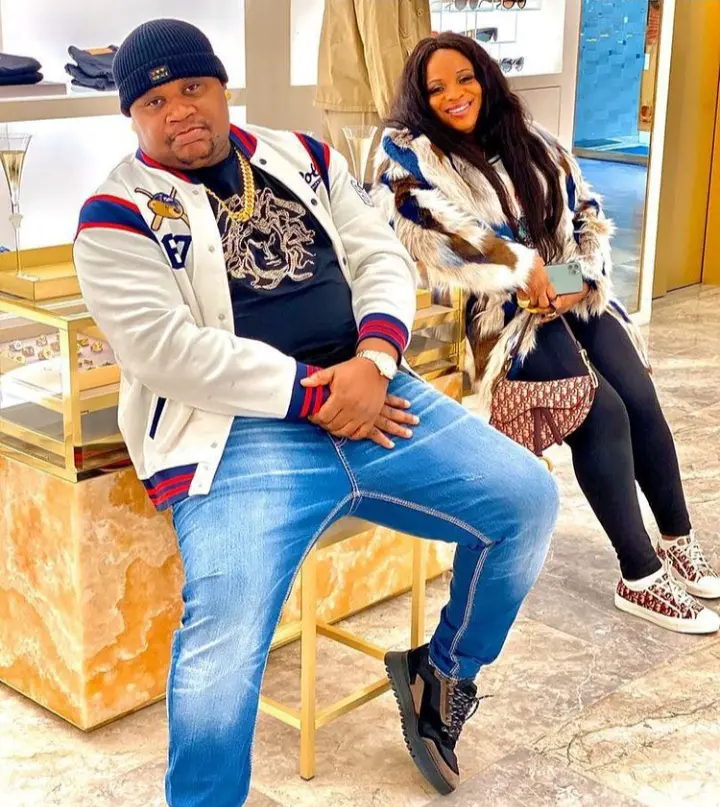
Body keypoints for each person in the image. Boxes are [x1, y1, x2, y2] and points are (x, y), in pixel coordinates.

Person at [73, 20, 559, 806]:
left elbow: (378, 256)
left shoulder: (304, 155)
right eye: (155, 101)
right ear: (131, 114)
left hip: (376, 392)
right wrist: (316, 394)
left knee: (527, 499)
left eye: (192, 88)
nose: (179, 110)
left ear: (222, 86)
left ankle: (443, 674)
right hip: (238, 436)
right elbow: (166, 351)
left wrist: (376, 360)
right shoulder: (114, 213)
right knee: (223, 637)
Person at [374, 32, 720, 638]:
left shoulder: (532, 139)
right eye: (437, 89)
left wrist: (578, 276)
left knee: (639, 396)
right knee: (601, 410)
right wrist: (517, 266)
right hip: (495, 311)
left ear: (485, 77)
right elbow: (425, 228)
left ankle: (677, 541)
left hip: (563, 285)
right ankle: (639, 575)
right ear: (420, 99)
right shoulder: (407, 157)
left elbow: (586, 212)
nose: (455, 95)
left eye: (465, 79)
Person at [315, 0, 430, 182]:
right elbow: (382, 46)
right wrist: (404, 121)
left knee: (351, 192)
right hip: (372, 107)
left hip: (358, 99)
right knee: (372, 194)